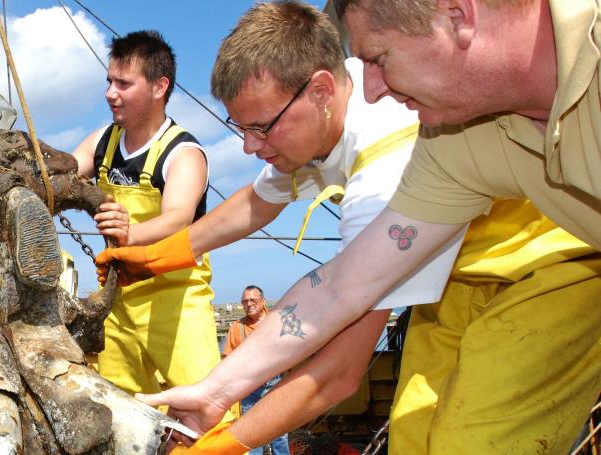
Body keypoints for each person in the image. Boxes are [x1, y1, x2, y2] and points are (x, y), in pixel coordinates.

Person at [101, 1, 601, 453]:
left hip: (549, 268)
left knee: (471, 441)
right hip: (441, 288)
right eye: (241, 129)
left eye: (260, 128)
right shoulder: (392, 112)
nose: (249, 148)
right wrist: (157, 260)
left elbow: (339, 370)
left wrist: (227, 443)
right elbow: (280, 225)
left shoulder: (390, 164)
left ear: (319, 89)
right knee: (413, 440)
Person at [70, 30, 222, 398]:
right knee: (120, 409)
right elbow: (61, 176)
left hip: (176, 302)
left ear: (159, 87)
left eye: (123, 83)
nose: (110, 93)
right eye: (109, 81)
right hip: (118, 301)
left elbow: (177, 218)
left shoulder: (184, 153)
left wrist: (130, 234)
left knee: (204, 406)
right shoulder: (104, 140)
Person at [223, 286, 289, 455]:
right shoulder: (237, 328)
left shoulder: (277, 322)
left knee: (280, 432)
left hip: (276, 384)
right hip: (249, 388)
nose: (249, 304)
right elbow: (227, 360)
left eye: (253, 300)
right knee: (252, 433)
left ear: (263, 301)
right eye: (245, 301)